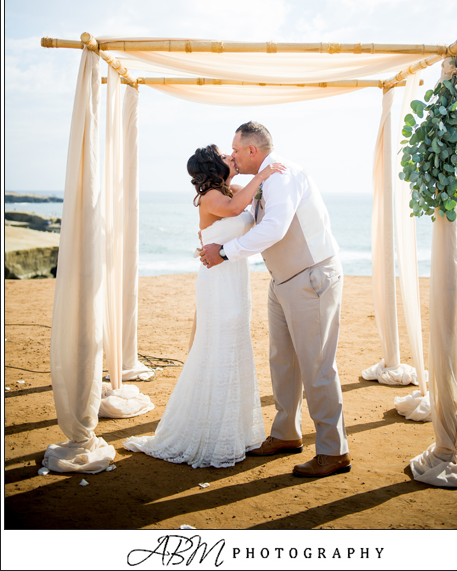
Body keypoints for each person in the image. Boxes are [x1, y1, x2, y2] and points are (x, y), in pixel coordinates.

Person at [199, 122, 350, 478]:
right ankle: (286, 434)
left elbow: (274, 228)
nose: (232, 156)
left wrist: (225, 251)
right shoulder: (262, 180)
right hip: (282, 280)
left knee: (316, 365)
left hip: (310, 278)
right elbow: (241, 215)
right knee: (282, 360)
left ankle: (333, 450)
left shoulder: (283, 176)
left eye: (235, 150)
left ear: (252, 151)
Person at [123, 145, 284, 468]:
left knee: (235, 347)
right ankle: (209, 434)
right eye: (226, 156)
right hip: (217, 284)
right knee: (218, 347)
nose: (232, 157)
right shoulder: (212, 196)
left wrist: (263, 180)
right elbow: (237, 207)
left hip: (235, 280)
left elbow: (248, 206)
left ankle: (232, 431)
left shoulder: (233, 189)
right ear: (214, 167)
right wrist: (264, 173)